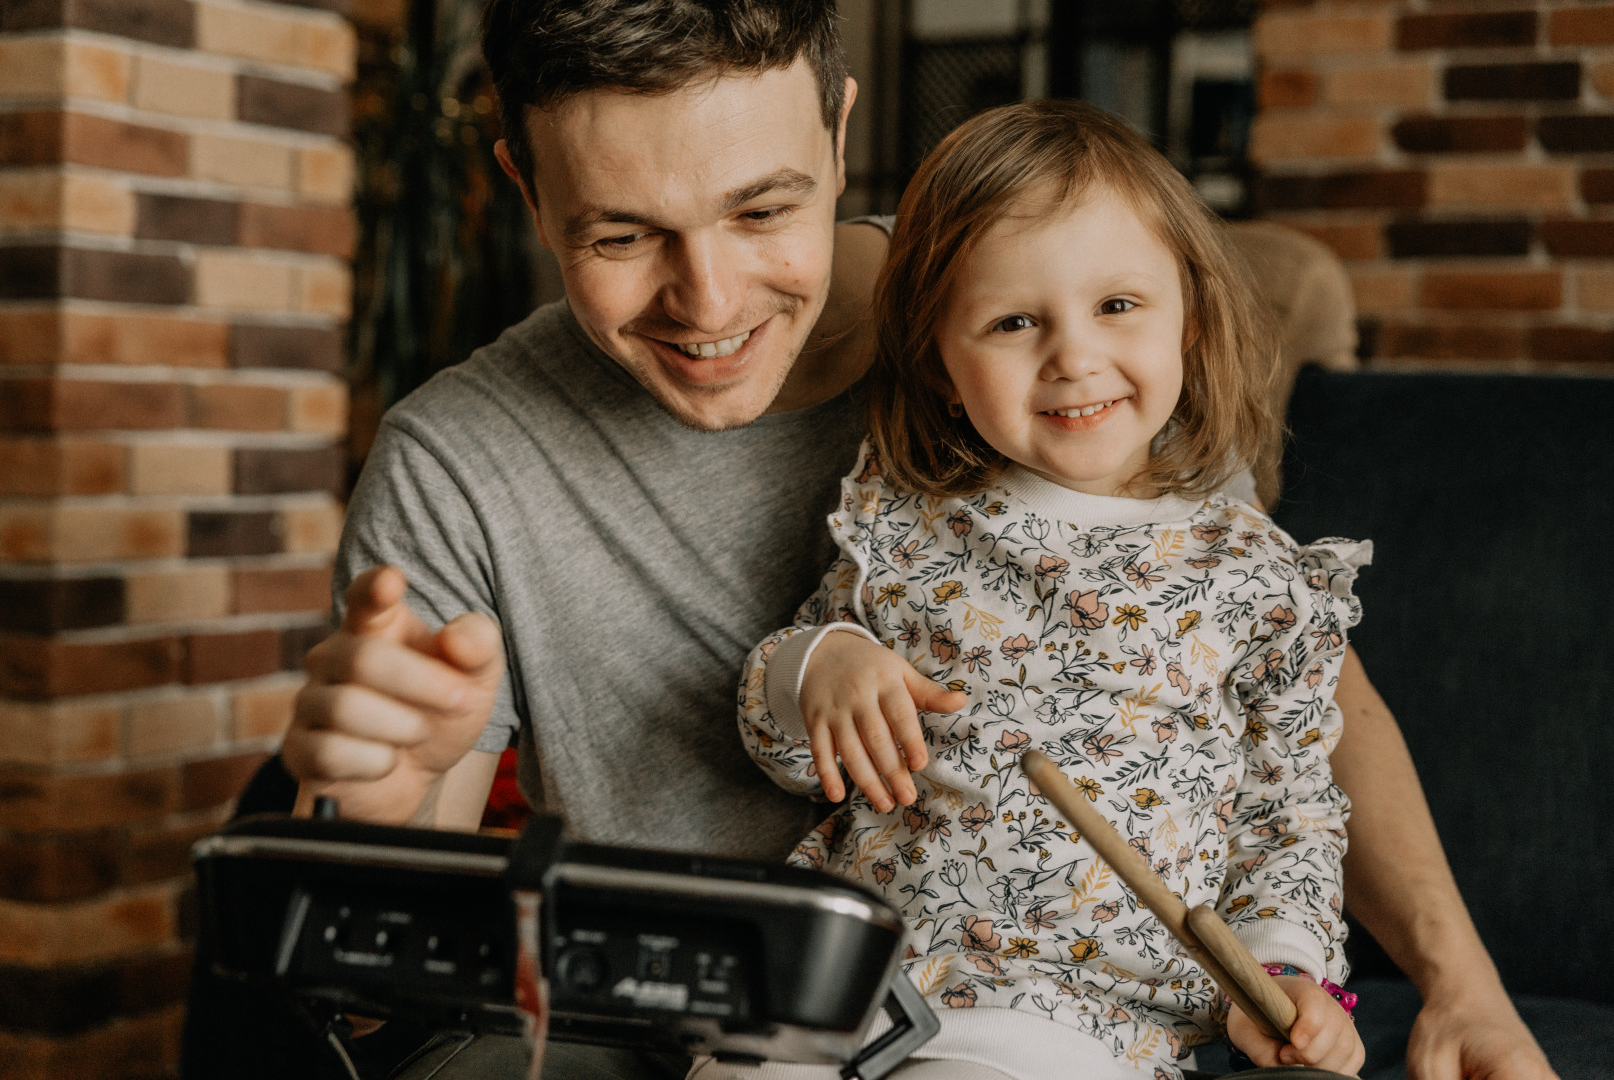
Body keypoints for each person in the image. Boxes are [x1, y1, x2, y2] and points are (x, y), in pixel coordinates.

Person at [277, 3, 1556, 1079]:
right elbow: (386, 974)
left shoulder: (1063, 337)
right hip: (721, 1021)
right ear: (521, 185)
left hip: (1059, 1016)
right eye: (620, 235)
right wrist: (381, 807)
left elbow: (1297, 701)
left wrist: (1458, 983)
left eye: (762, 211)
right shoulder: (456, 459)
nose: (709, 303)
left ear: (838, 130)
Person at [732, 100, 1364, 1080]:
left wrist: (1282, 973)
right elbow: (783, 745)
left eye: (1118, 306)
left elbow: (1290, 813)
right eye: (1014, 321)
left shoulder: (1257, 579)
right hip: (842, 973)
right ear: (942, 364)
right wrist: (817, 668)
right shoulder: (903, 526)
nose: (1073, 356)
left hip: (1070, 1013)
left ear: (1189, 321)